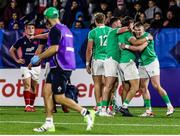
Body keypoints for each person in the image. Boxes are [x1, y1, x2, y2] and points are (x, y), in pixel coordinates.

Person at [29, 7, 95, 132]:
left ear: (47, 18)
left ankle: (86, 112)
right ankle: (49, 123)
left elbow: (54, 48)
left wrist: (39, 58)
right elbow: (50, 37)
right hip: (61, 65)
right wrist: (37, 37)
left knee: (59, 97)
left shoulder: (55, 30)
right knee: (46, 93)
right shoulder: (65, 28)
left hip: (60, 66)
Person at [121, 22, 175, 116]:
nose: (138, 32)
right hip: (142, 64)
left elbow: (139, 48)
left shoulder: (148, 36)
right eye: (136, 30)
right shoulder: (135, 36)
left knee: (156, 86)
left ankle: (170, 106)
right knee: (143, 88)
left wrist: (125, 46)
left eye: (140, 30)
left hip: (151, 62)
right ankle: (148, 111)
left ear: (143, 30)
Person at [117, 16, 152, 116]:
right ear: (129, 25)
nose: (133, 26)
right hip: (128, 62)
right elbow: (136, 43)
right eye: (132, 24)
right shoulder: (127, 33)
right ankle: (124, 107)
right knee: (135, 87)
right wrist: (147, 38)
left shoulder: (120, 34)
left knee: (126, 87)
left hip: (121, 62)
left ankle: (125, 109)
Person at [9, 22, 43, 112]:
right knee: (27, 85)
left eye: (32, 28)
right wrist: (16, 60)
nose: (30, 29)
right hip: (25, 66)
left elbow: (42, 50)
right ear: (25, 29)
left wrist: (40, 58)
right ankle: (27, 105)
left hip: (37, 66)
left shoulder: (39, 39)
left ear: (34, 29)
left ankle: (31, 106)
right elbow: (11, 50)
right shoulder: (21, 40)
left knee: (33, 87)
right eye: (28, 28)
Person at [86, 12, 112, 116]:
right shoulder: (111, 31)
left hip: (97, 60)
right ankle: (106, 108)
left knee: (97, 84)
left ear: (95, 21)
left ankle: (99, 107)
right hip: (108, 60)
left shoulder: (92, 32)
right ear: (105, 20)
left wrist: (87, 63)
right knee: (107, 85)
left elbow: (89, 49)